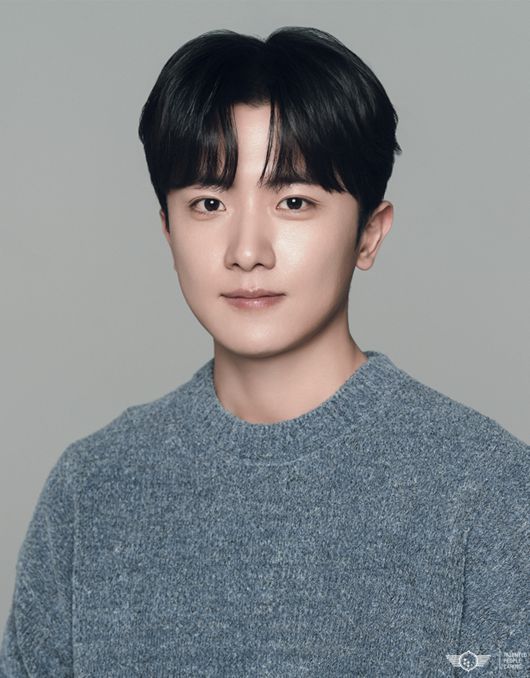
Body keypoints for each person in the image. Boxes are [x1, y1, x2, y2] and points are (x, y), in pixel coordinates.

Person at [1, 26, 528, 678]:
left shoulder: (491, 495)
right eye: (209, 203)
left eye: (295, 201)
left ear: (369, 234)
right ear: (167, 231)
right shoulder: (91, 490)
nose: (247, 250)